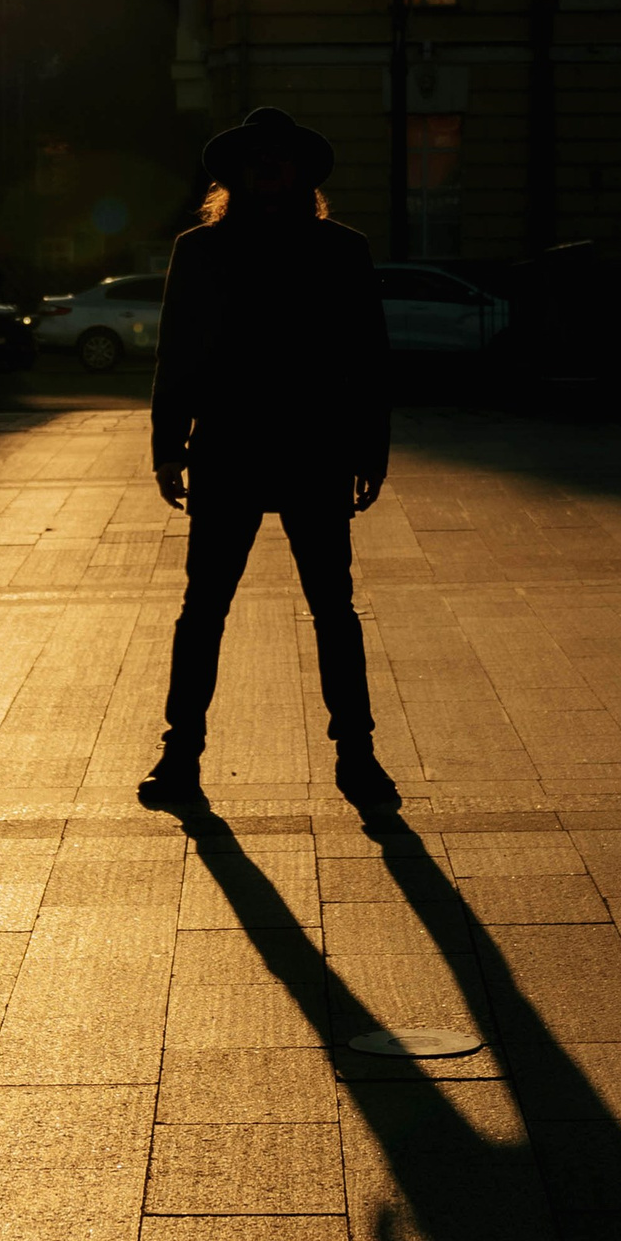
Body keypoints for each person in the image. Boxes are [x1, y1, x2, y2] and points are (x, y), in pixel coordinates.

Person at [138, 107, 401, 819]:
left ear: (303, 172)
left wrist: (369, 448)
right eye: (258, 159)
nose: (269, 169)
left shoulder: (342, 250)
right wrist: (168, 443)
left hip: (315, 449)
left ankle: (357, 751)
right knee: (204, 610)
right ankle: (180, 755)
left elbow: (368, 359)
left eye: (280, 159)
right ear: (235, 174)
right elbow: (178, 354)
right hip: (227, 448)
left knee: (332, 609)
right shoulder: (200, 251)